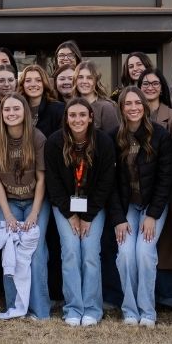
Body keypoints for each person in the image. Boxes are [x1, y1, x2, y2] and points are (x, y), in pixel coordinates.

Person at [45, 98, 115, 327]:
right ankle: (73, 307)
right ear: (66, 118)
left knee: (91, 252)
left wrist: (87, 216)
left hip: (93, 207)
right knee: (71, 251)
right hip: (65, 206)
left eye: (82, 115)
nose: (77, 120)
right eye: (72, 115)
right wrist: (71, 214)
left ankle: (93, 308)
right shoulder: (55, 142)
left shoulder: (103, 142)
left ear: (91, 117)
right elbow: (53, 182)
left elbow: (106, 182)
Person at [107, 87, 172, 328]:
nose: (133, 108)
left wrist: (153, 215)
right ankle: (129, 309)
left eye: (137, 103)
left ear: (144, 106)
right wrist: (117, 218)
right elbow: (110, 183)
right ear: (121, 108)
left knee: (144, 253)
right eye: (127, 104)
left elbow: (166, 179)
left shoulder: (160, 135)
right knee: (125, 254)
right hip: (127, 208)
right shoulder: (113, 137)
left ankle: (147, 310)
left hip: (153, 206)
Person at [0, 93, 49, 320]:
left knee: (36, 253)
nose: (11, 114)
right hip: (9, 201)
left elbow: (42, 179)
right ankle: (14, 307)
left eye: (16, 109)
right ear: (1, 114)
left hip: (35, 201)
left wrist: (34, 213)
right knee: (10, 251)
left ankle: (39, 309)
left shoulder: (37, 137)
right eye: (7, 110)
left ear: (25, 112)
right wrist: (7, 214)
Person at [73, 61, 119, 133]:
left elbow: (112, 139)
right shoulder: (71, 106)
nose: (84, 81)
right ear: (75, 80)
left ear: (96, 81)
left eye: (89, 78)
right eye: (80, 77)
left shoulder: (106, 107)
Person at [20, 64, 64, 137]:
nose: (33, 84)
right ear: (23, 84)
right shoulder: (17, 108)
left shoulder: (58, 109)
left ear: (44, 83)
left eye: (38, 80)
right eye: (28, 81)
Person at [140, 69, 172, 134]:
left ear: (161, 89)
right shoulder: (133, 114)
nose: (150, 88)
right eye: (145, 84)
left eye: (155, 84)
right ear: (140, 88)